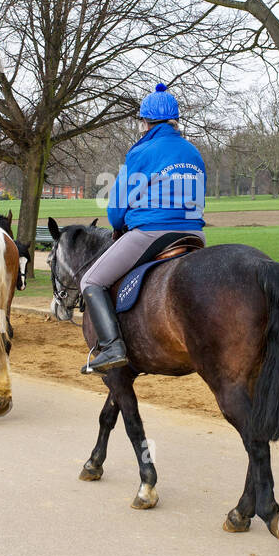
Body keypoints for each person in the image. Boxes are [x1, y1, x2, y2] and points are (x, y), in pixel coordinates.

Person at [78, 82, 206, 373]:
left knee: (91, 282)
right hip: (195, 234)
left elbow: (117, 209)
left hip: (153, 233)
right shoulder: (193, 151)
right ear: (175, 120)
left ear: (145, 122)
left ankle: (111, 347)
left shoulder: (142, 151)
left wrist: (120, 223)